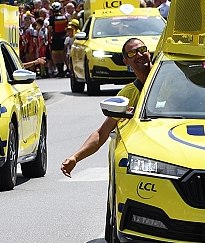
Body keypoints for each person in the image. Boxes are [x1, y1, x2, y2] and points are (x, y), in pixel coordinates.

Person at [61, 38, 151, 177]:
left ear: (148, 52)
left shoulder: (170, 80)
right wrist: (75, 157)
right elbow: (102, 133)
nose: (139, 55)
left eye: (142, 50)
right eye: (132, 53)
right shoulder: (127, 95)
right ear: (126, 61)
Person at [49, 2, 68, 77]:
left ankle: (60, 70)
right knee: (61, 54)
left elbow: (50, 30)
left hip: (55, 38)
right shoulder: (65, 17)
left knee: (55, 54)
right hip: (63, 38)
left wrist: (49, 39)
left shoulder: (52, 18)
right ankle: (63, 69)